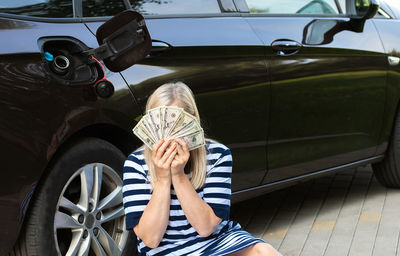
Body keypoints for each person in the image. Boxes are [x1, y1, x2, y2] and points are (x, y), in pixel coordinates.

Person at [122, 82, 281, 255]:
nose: (169, 136)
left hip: (217, 241)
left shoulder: (218, 154)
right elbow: (151, 239)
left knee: (264, 251)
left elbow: (206, 228)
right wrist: (162, 180)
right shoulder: (135, 164)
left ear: (193, 121)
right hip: (165, 250)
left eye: (177, 124)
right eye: (163, 125)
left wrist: (179, 175)